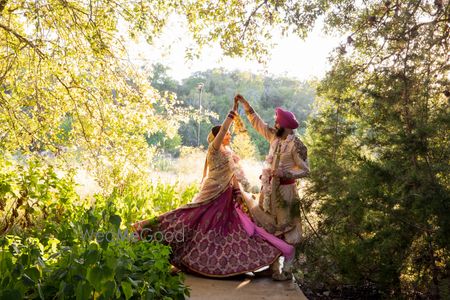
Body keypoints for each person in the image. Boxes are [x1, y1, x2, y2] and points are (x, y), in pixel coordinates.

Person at [133, 99, 294, 277]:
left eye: (228, 134)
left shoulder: (229, 153)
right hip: (211, 193)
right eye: (226, 134)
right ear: (218, 136)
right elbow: (224, 130)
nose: (229, 135)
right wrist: (231, 114)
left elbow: (233, 174)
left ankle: (236, 262)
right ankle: (148, 237)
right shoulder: (214, 148)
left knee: (227, 230)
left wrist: (238, 191)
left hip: (225, 196)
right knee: (188, 219)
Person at [235, 94, 310, 281]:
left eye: (276, 123)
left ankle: (287, 270)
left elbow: (306, 170)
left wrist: (285, 174)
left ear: (284, 127)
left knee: (287, 230)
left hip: (286, 194)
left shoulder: (297, 145)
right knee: (269, 227)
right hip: (268, 192)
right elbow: (258, 124)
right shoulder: (274, 137)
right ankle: (272, 268)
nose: (274, 125)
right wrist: (246, 103)